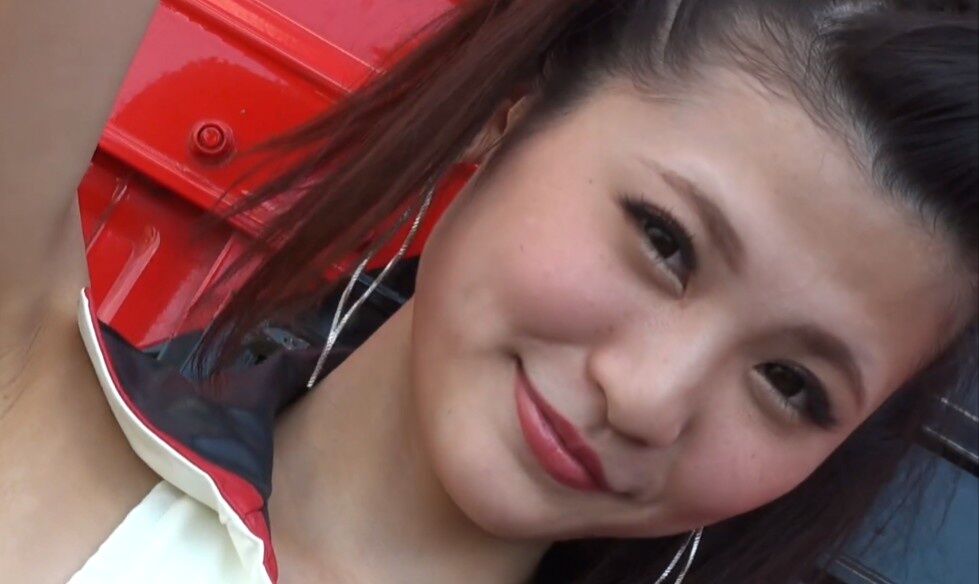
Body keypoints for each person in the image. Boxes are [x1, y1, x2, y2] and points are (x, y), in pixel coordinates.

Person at [2, 0, 977, 583]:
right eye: (663, 241)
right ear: (515, 113)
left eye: (791, 384)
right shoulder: (29, 415)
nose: (647, 397)